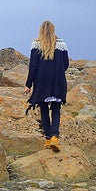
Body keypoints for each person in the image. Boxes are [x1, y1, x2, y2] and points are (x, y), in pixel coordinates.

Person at [25, 20, 69, 152]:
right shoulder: (61, 44)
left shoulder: (36, 44)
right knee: (56, 109)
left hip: (42, 81)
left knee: (43, 109)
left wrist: (28, 85)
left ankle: (49, 138)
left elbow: (33, 66)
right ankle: (55, 137)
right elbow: (66, 64)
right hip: (58, 81)